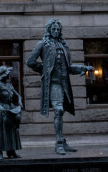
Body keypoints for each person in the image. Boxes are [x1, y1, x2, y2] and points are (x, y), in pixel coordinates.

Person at [26, 19, 93, 155]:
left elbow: (69, 67)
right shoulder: (43, 44)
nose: (56, 31)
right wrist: (44, 70)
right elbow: (30, 62)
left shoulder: (64, 45)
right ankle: (58, 143)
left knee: (61, 111)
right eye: (53, 29)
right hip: (54, 83)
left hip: (64, 84)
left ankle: (62, 140)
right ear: (49, 30)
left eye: (58, 29)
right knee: (59, 110)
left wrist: (83, 68)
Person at [0, 65, 23, 159]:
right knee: (1, 131)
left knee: (12, 130)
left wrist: (19, 101)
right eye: (7, 74)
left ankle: (11, 151)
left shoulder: (9, 84)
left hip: (11, 108)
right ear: (3, 76)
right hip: (2, 110)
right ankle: (0, 152)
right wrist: (0, 107)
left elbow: (17, 95)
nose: (9, 76)